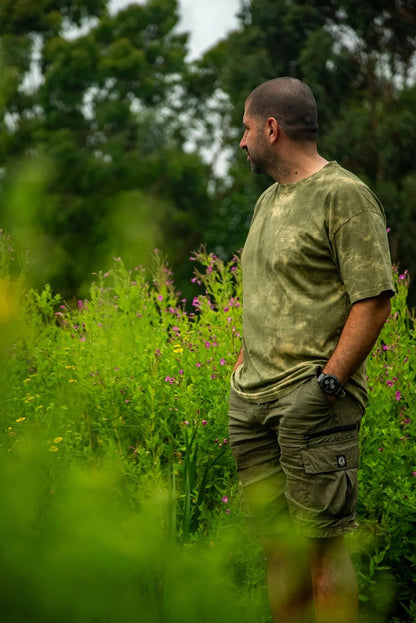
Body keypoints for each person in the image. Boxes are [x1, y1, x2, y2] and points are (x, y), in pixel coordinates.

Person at [228, 77, 394, 623]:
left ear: (271, 128)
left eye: (247, 127)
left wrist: (327, 387)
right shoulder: (267, 203)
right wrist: (241, 370)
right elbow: (270, 296)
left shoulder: (343, 195)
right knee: (280, 548)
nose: (241, 140)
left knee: (322, 548)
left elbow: (372, 300)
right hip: (252, 407)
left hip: (313, 402)